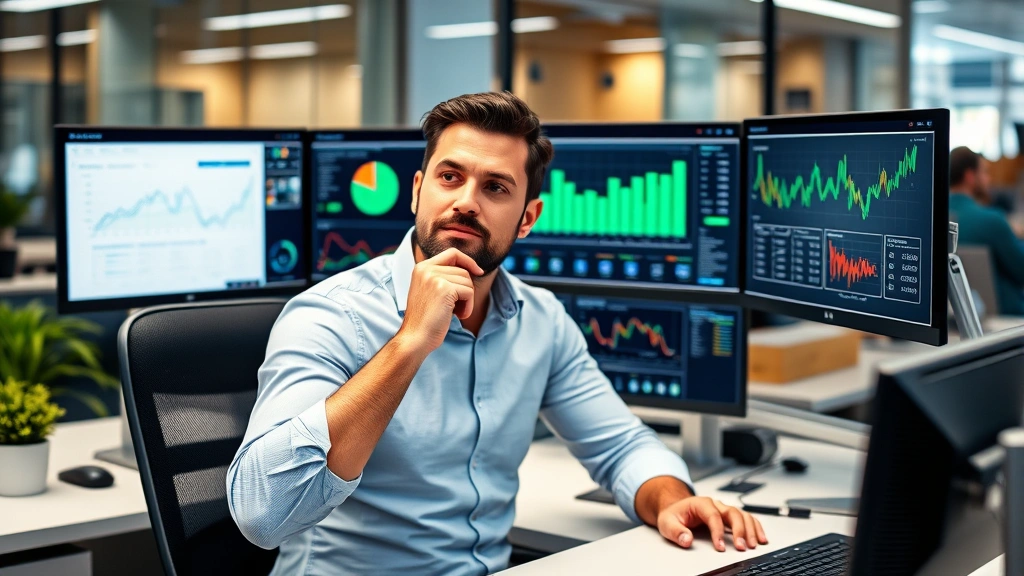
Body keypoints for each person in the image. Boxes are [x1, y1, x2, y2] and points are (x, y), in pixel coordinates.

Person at [227, 91, 767, 575]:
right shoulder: (329, 316)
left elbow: (622, 446)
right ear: (418, 190)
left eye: (496, 187)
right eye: (449, 177)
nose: (466, 200)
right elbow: (261, 515)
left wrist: (669, 498)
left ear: (527, 217)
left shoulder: (542, 320)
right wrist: (410, 343)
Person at [949, 146, 1024, 315]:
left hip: (955, 317)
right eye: (984, 172)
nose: (988, 179)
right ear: (970, 176)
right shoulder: (992, 221)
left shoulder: (932, 217)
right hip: (1007, 318)